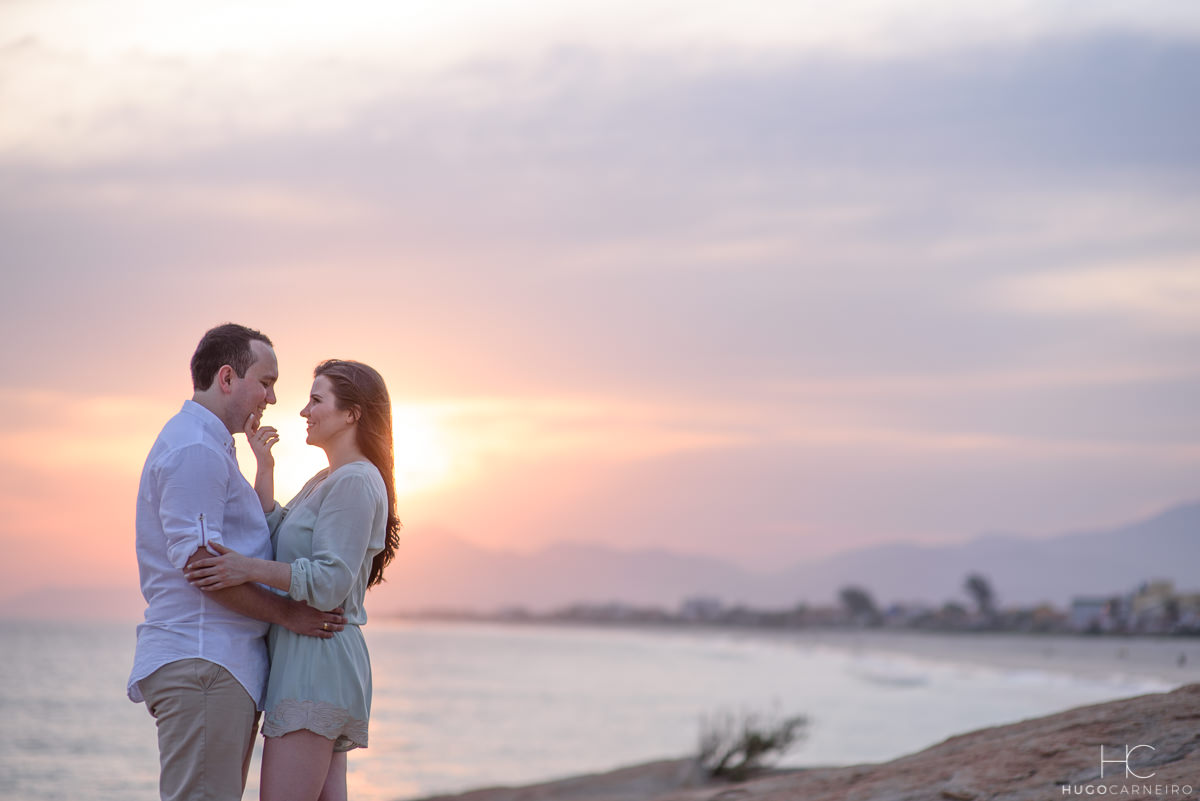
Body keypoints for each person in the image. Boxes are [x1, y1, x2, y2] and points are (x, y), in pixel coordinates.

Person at [128, 323, 348, 801]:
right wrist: (291, 614)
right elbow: (203, 567)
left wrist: (262, 469)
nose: (271, 398)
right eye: (265, 383)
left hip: (217, 664)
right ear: (227, 378)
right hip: (205, 661)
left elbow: (234, 547)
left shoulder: (209, 446)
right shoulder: (195, 449)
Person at [186, 359, 401, 801]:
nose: (304, 411)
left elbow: (329, 581)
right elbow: (275, 532)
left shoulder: (356, 481)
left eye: (316, 399)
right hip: (308, 658)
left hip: (316, 660)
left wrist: (245, 569)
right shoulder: (330, 479)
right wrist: (264, 467)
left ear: (352, 414)